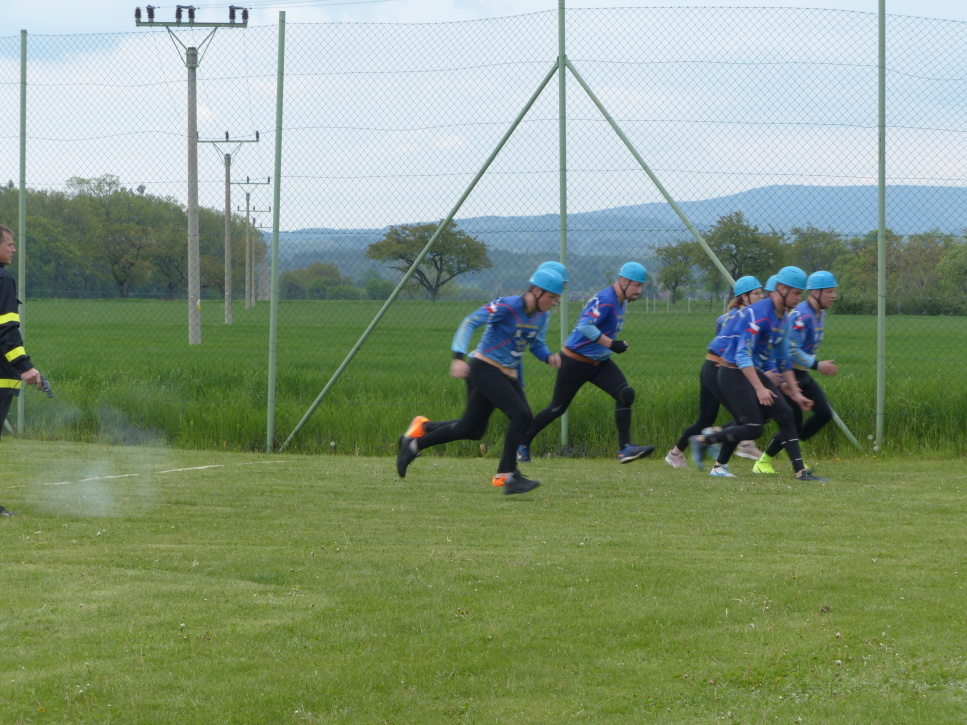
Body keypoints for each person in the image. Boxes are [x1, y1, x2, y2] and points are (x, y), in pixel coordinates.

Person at [396, 265, 566, 495]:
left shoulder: (542, 317)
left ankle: (415, 441)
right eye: (552, 297)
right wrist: (458, 357)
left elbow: (536, 344)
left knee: (471, 429)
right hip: (484, 368)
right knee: (522, 414)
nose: (555, 302)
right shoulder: (507, 305)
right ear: (537, 291)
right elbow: (470, 322)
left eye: (557, 298)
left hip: (506, 374)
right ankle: (508, 474)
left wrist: (548, 357)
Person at [689, 266, 825, 481]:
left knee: (786, 415)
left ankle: (801, 472)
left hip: (751, 371)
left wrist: (795, 392)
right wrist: (760, 388)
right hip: (732, 372)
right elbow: (742, 354)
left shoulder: (783, 318)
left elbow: (783, 360)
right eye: (797, 293)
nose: (800, 298)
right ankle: (703, 441)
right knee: (753, 428)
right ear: (782, 289)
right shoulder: (758, 314)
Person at [517, 262, 654, 464]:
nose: (640, 290)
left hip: (600, 362)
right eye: (637, 285)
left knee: (625, 394)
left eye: (641, 286)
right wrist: (612, 344)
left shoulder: (621, 300)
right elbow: (584, 326)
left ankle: (625, 448)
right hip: (575, 362)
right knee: (557, 408)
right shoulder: (606, 300)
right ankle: (521, 444)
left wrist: (609, 346)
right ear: (624, 282)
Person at [665, 275, 764, 468]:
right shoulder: (744, 316)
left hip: (711, 368)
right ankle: (741, 445)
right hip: (719, 371)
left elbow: (721, 329)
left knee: (706, 419)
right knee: (744, 417)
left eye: (761, 293)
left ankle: (675, 453)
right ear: (744, 297)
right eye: (757, 293)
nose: (761, 297)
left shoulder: (731, 315)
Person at [754, 271, 840, 474]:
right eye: (829, 291)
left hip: (802, 374)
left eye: (834, 291)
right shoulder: (801, 315)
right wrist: (817, 365)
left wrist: (813, 365)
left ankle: (791, 448)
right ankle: (763, 462)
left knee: (824, 413)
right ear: (816, 292)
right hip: (788, 375)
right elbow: (791, 350)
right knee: (792, 423)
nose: (834, 295)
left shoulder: (820, 313)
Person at [1, 225, 45, 516]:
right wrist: (25, 367)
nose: (14, 249)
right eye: (9, 244)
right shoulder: (3, 278)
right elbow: (6, 329)